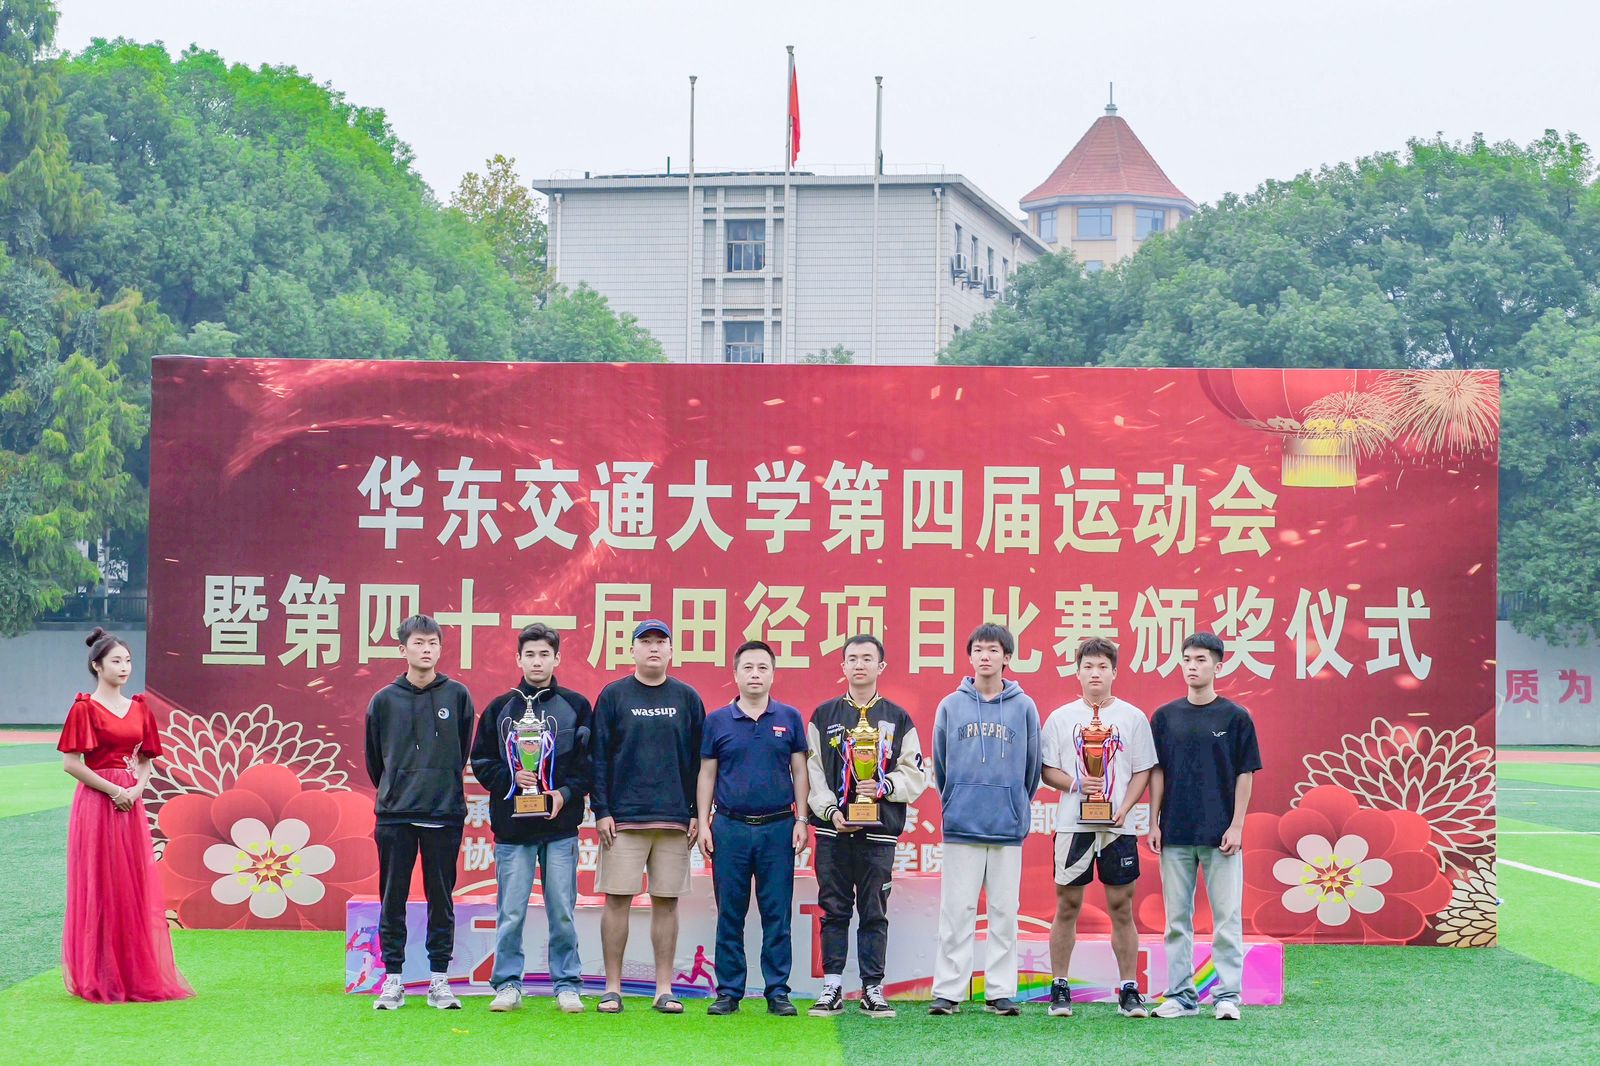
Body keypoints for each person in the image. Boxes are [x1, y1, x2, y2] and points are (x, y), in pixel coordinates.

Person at [57, 628, 193, 1003]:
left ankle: (133, 972)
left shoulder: (139, 708)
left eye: (128, 661)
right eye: (116, 661)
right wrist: (114, 790)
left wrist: (135, 790)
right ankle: (99, 973)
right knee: (100, 882)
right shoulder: (84, 708)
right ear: (97, 666)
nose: (124, 667)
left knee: (130, 883)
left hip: (130, 802)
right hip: (97, 802)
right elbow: (71, 763)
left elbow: (147, 758)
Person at [470, 623, 593, 1014]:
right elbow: (481, 760)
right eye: (530, 655)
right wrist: (512, 777)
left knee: (562, 911)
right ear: (518, 659)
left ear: (557, 659)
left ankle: (567, 984)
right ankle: (507, 984)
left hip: (560, 828)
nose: (537, 662)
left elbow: (589, 764)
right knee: (511, 912)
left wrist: (564, 793)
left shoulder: (576, 706)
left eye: (544, 654)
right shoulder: (499, 709)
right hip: (513, 830)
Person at [804, 633, 928, 1019]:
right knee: (834, 908)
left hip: (878, 833)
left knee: (874, 910)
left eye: (867, 658)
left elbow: (916, 773)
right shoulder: (823, 716)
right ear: (842, 666)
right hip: (834, 831)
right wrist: (829, 811)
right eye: (853, 659)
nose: (859, 665)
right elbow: (813, 773)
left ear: (881, 666)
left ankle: (873, 988)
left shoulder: (898, 718)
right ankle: (832, 987)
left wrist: (885, 786)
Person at [591, 619, 706, 1015]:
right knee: (617, 900)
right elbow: (598, 757)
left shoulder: (687, 698)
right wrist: (602, 810)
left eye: (661, 642)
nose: (654, 648)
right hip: (623, 820)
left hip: (674, 820)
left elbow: (700, 763)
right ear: (633, 650)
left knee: (666, 903)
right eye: (646, 642)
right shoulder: (613, 695)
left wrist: (697, 813)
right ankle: (612, 988)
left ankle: (664, 989)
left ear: (671, 651)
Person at [1039, 637, 1156, 1019]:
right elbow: (1047, 770)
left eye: (1102, 667)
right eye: (1088, 667)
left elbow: (1143, 770)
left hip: (1118, 827)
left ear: (1114, 672)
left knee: (1122, 907)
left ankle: (1129, 989)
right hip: (1073, 825)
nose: (1095, 673)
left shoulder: (1133, 718)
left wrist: (1124, 808)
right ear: (1077, 672)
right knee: (1068, 904)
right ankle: (1060, 986)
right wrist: (1076, 783)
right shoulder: (1060, 718)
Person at [929, 623, 1041, 1017]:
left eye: (993, 650)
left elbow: (1032, 769)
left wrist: (1015, 804)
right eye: (978, 649)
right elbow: (940, 765)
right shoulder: (950, 705)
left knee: (1004, 913)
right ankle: (949, 991)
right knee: (956, 911)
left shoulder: (1024, 707)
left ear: (1007, 657)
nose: (985, 656)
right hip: (962, 824)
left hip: (1007, 826)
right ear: (970, 656)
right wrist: (955, 799)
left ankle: (1000, 991)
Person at [1149, 632, 1262, 1021]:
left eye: (1200, 660)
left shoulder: (1235, 717)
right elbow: (1158, 772)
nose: (1192, 666)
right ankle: (1181, 996)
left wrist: (1237, 825)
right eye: (1187, 659)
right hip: (1175, 832)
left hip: (1221, 836)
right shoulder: (1165, 717)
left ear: (1218, 666)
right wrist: (1154, 821)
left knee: (1226, 917)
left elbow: (1246, 773)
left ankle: (1227, 995)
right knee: (1176, 920)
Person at [365, 614, 475, 1011]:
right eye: (418, 643)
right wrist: (398, 786)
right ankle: (393, 979)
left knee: (441, 898)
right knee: (392, 897)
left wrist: (437, 782)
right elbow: (375, 760)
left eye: (432, 643)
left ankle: (439, 980)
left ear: (440, 649)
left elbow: (461, 750)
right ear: (403, 649)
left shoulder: (457, 695)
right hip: (395, 815)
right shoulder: (383, 700)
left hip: (443, 812)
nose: (426, 650)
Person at [696, 640, 809, 1017]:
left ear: (773, 674)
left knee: (777, 914)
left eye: (763, 668)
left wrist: (802, 819)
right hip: (730, 827)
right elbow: (707, 774)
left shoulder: (789, 717)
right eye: (748, 668)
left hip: (778, 827)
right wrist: (705, 822)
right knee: (730, 912)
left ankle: (777, 991)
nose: (755, 674)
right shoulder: (717, 721)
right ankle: (729, 991)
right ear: (735, 674)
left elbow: (799, 771)